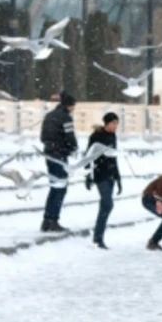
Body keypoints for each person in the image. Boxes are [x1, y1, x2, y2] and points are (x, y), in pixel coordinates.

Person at [40, 91, 78, 232]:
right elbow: (70, 136)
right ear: (69, 106)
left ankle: (47, 220)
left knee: (54, 187)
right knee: (60, 188)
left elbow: (43, 136)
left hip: (49, 154)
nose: (74, 109)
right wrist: (72, 148)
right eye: (73, 106)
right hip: (60, 155)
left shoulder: (49, 116)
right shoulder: (66, 118)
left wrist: (50, 145)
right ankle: (53, 221)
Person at [86, 112, 121, 250]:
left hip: (111, 174)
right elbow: (88, 156)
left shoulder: (113, 136)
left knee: (105, 205)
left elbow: (114, 156)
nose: (115, 126)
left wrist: (118, 176)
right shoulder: (96, 136)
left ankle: (98, 236)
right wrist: (88, 174)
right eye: (113, 123)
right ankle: (99, 237)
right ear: (106, 123)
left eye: (117, 123)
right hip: (100, 174)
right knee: (107, 204)